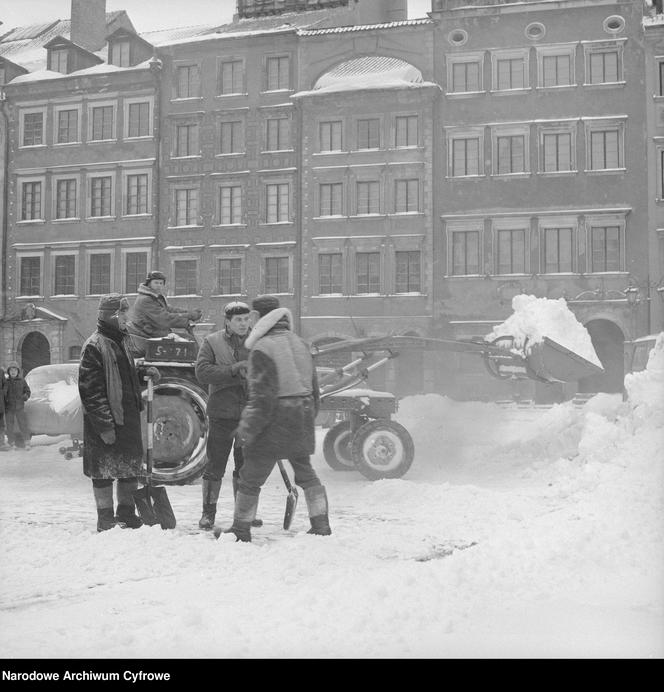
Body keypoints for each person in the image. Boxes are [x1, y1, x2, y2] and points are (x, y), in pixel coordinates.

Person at [223, 295, 331, 542]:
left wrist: (246, 429)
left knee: (250, 476)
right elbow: (315, 390)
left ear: (259, 318)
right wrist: (306, 417)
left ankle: (240, 529)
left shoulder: (263, 349)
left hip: (275, 419)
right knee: (305, 472)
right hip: (301, 414)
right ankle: (321, 524)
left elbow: (262, 397)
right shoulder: (300, 343)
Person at [78, 293, 160, 532]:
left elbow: (124, 376)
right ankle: (105, 517)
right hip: (105, 421)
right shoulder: (94, 346)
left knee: (129, 468)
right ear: (111, 316)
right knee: (103, 471)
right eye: (123, 313)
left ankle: (126, 512)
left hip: (128, 417)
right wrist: (104, 426)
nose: (127, 317)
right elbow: (90, 392)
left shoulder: (122, 341)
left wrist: (144, 374)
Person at [194, 301, 261, 530]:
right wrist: (232, 370)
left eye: (246, 319)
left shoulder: (258, 342)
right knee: (215, 465)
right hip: (222, 412)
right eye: (238, 320)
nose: (244, 324)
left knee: (246, 467)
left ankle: (244, 514)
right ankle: (208, 514)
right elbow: (202, 372)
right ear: (228, 321)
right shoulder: (212, 342)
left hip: (249, 414)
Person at [127, 270, 203, 356]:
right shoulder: (146, 299)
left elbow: (168, 309)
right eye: (156, 283)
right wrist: (188, 317)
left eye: (161, 283)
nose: (159, 285)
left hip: (155, 331)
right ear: (149, 283)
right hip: (148, 334)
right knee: (188, 340)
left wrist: (188, 312)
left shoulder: (154, 297)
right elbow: (164, 319)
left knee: (187, 339)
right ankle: (194, 366)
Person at [4, 361, 31, 449]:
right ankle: (11, 443)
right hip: (9, 407)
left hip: (20, 407)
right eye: (11, 370)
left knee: (23, 424)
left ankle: (27, 442)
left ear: (18, 371)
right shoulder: (6, 382)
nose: (13, 372)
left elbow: (27, 391)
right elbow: (3, 393)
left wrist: (25, 396)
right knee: (9, 426)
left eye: (15, 370)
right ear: (8, 371)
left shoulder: (22, 381)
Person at [0, 365, 8, 451]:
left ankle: (1, 443)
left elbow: (5, 384)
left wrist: (3, 392)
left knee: (1, 425)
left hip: (0, 404)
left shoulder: (1, 372)